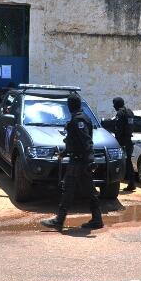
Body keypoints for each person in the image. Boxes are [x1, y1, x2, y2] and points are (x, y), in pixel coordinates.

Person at [42, 94, 104, 231]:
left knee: (68, 190)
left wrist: (90, 160)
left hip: (78, 162)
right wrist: (63, 153)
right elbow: (74, 142)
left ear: (70, 106)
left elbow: (86, 140)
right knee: (89, 191)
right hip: (79, 160)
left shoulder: (78, 120)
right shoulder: (82, 118)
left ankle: (59, 220)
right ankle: (97, 219)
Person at [112, 97, 136, 191]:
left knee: (118, 161)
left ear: (117, 104)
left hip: (122, 142)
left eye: (114, 104)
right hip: (129, 141)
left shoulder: (120, 113)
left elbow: (119, 129)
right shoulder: (129, 112)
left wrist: (116, 141)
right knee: (128, 162)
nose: (113, 106)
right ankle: (131, 183)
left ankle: (118, 182)